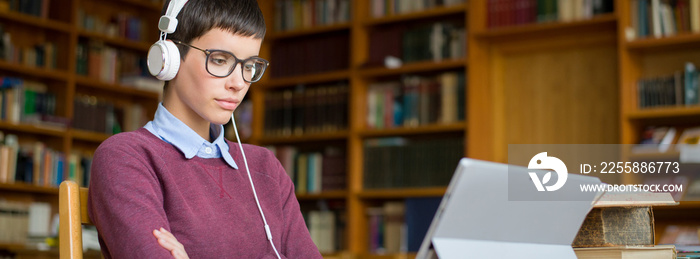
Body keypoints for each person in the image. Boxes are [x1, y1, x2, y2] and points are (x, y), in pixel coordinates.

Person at [87, 0, 323, 258]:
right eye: (220, 60)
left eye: (249, 66)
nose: (238, 83)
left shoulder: (266, 168)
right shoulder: (126, 157)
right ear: (170, 58)